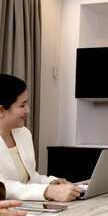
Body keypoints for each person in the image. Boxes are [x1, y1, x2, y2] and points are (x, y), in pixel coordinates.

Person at [0, 74, 83, 202]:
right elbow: (2, 187)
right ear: (1, 110)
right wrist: (47, 191)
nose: (27, 110)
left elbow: (30, 178)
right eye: (22, 106)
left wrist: (53, 183)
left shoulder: (23, 134)